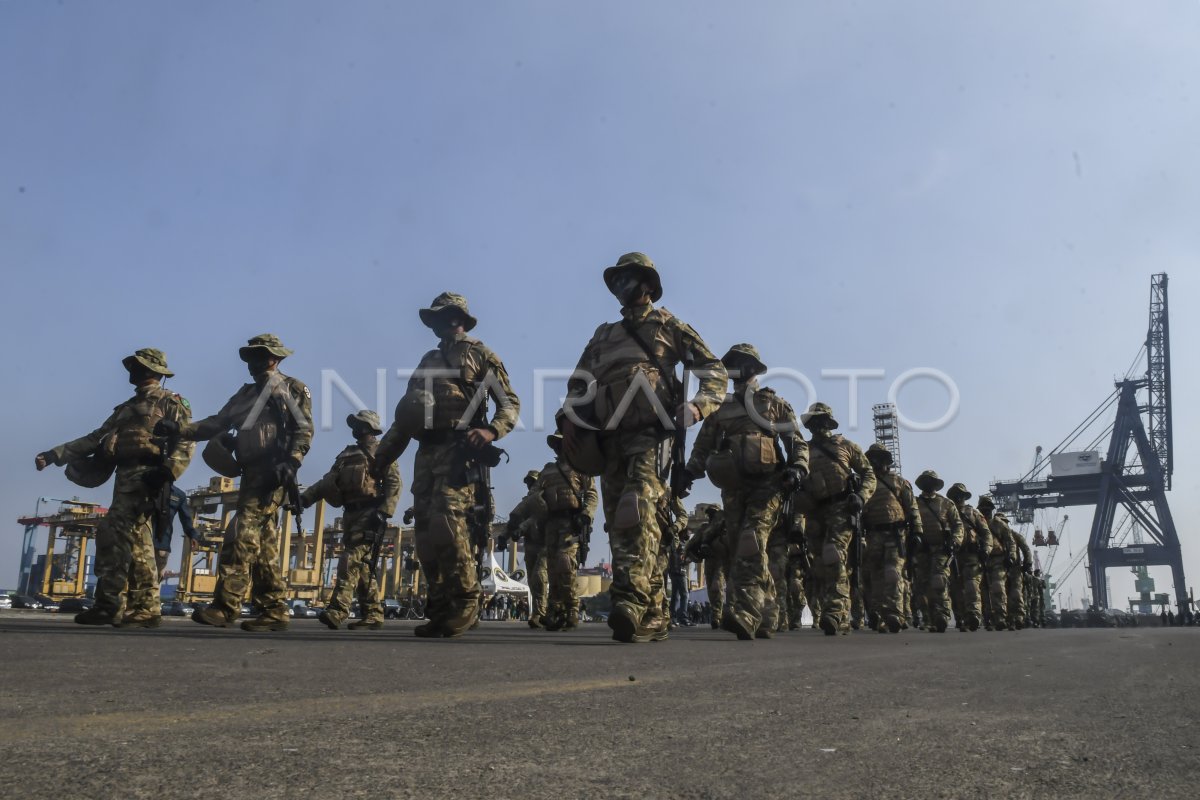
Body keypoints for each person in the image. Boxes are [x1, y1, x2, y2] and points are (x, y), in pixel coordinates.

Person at [561, 252, 726, 643]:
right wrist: (569, 419)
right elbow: (578, 384)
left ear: (648, 285)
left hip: (653, 434)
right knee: (622, 524)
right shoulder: (603, 336)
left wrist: (699, 406)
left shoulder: (668, 325)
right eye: (617, 280)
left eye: (629, 279)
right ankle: (653, 613)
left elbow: (715, 372)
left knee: (638, 510)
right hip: (609, 438)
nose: (621, 286)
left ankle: (630, 602)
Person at [373, 293, 520, 638]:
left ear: (459, 318)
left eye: (446, 315)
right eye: (436, 317)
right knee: (424, 535)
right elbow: (407, 417)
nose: (440, 322)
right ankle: (439, 607)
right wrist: (380, 459)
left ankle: (466, 602)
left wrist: (491, 430)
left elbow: (509, 402)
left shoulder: (481, 354)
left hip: (460, 452)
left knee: (448, 527)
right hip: (426, 455)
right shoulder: (428, 360)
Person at [158, 334, 313, 632]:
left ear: (274, 358)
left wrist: (292, 461)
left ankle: (225, 607)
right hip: (251, 473)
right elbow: (216, 423)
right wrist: (179, 429)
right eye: (250, 356)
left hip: (274, 472)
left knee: (241, 533)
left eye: (260, 356)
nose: (253, 363)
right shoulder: (244, 395)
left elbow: (304, 429)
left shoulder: (291, 387)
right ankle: (274, 609)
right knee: (263, 546)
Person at [36, 348, 194, 628]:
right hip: (124, 479)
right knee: (124, 541)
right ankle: (120, 605)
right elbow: (95, 438)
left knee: (129, 540)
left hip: (149, 478)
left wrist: (168, 472)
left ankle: (131, 607)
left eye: (138, 366)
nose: (132, 371)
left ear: (152, 370)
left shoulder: (171, 403)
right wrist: (54, 454)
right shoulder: (124, 409)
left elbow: (186, 440)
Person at [683, 343, 808, 640]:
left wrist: (798, 467)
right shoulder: (720, 407)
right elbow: (703, 444)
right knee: (744, 549)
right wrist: (689, 471)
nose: (740, 368)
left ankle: (745, 612)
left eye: (745, 363)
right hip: (733, 489)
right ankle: (767, 613)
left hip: (768, 485)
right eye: (735, 363)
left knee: (751, 542)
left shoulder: (774, 403)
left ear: (756, 369)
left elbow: (796, 440)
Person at [301, 410, 402, 630]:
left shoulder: (382, 453)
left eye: (358, 424)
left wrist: (384, 513)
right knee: (362, 567)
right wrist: (304, 500)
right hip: (350, 514)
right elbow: (326, 482)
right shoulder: (346, 455)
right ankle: (373, 614)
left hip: (370, 514)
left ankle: (338, 610)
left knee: (349, 560)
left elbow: (394, 484)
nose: (354, 428)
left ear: (367, 427)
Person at [795, 402, 875, 636]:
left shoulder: (846, 446)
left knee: (833, 554)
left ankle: (834, 612)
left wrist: (861, 496)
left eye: (821, 421)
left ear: (828, 423)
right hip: (814, 513)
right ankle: (840, 614)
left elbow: (868, 473)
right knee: (820, 566)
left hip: (841, 507)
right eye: (814, 421)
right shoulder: (803, 450)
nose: (817, 425)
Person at [526, 433, 598, 631]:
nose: (560, 447)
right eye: (558, 444)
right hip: (551, 524)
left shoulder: (581, 469)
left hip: (571, 522)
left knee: (565, 565)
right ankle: (554, 611)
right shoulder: (548, 471)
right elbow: (532, 496)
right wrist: (520, 515)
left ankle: (572, 609)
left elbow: (591, 494)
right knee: (552, 569)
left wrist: (586, 514)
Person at [861, 443, 922, 633]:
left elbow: (912, 507)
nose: (875, 461)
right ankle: (879, 614)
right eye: (872, 458)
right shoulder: (865, 483)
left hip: (896, 534)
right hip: (873, 534)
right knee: (876, 575)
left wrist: (917, 531)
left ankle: (894, 613)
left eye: (879, 457)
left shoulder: (898, 481)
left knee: (893, 573)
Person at [912, 470, 963, 633]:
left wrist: (955, 541)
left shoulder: (946, 504)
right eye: (926, 481)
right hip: (921, 550)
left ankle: (941, 615)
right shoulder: (914, 503)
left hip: (941, 548)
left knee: (939, 580)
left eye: (931, 481)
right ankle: (927, 618)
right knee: (922, 585)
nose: (929, 484)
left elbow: (958, 525)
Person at [499, 470, 548, 628]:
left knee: (539, 576)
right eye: (528, 482)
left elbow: (538, 518)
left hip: (546, 544)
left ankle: (542, 612)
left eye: (532, 481)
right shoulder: (526, 503)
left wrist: (523, 526)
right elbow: (514, 521)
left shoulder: (545, 500)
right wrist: (503, 536)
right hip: (531, 544)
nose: (529, 485)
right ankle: (539, 612)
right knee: (533, 581)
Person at [946, 482, 991, 632]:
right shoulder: (946, 512)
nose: (958, 498)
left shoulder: (973, 513)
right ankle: (960, 618)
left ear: (965, 496)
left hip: (971, 555)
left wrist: (986, 549)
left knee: (972, 586)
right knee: (955, 588)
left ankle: (973, 615)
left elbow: (986, 533)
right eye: (955, 495)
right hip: (953, 556)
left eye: (961, 495)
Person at [683, 504, 728, 629]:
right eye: (709, 513)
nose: (711, 516)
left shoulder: (725, 526)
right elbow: (691, 544)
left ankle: (720, 615)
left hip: (721, 560)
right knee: (710, 587)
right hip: (709, 561)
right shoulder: (704, 529)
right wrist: (693, 555)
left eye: (714, 513)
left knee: (716, 586)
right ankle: (716, 615)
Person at [977, 495, 1015, 631]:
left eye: (988, 508)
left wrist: (1011, 556)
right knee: (983, 590)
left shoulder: (999, 524)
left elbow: (1010, 542)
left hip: (998, 559)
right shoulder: (976, 522)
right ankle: (988, 619)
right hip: (980, 561)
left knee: (998, 588)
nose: (986, 511)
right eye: (983, 508)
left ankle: (1000, 618)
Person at [153, 485, 202, 578]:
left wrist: (193, 536)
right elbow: (186, 520)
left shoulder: (179, 495)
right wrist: (193, 536)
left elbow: (186, 520)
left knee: (146, 580)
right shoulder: (178, 494)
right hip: (156, 544)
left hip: (159, 545)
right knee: (151, 583)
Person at [1007, 520, 1032, 630]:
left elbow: (1025, 548)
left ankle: (1019, 618)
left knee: (1016, 593)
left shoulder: (1015, 535)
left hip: (1015, 568)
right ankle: (1009, 619)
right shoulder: (994, 533)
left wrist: (1028, 562)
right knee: (1002, 594)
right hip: (999, 568)